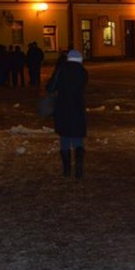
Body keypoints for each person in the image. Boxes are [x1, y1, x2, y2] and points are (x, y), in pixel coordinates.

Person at [46, 49, 88, 178]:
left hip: (62, 107)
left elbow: (50, 88)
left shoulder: (62, 70)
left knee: (64, 137)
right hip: (77, 107)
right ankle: (79, 170)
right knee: (77, 137)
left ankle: (67, 170)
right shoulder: (83, 72)